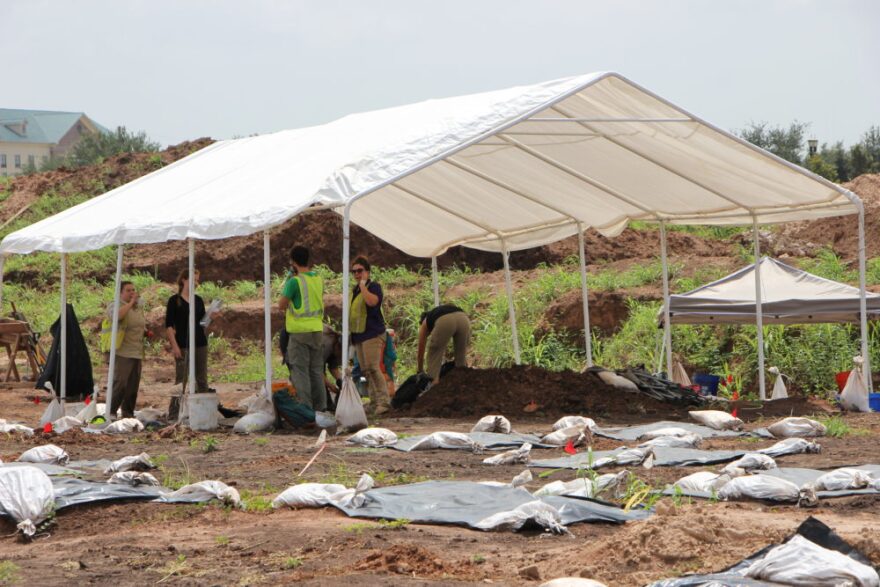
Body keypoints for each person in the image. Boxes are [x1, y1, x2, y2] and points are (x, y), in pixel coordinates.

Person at [277, 246, 326, 411]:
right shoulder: (317, 279)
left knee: (300, 371)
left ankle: (306, 409)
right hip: (317, 331)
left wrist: (289, 280)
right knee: (316, 371)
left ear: (293, 262)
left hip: (299, 333)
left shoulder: (294, 281)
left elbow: (281, 305)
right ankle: (321, 408)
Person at [349, 256, 390, 415]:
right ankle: (374, 402)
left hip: (372, 334)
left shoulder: (373, 287)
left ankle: (384, 402)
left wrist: (363, 286)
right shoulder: (355, 290)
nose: (357, 274)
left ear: (367, 272)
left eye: (360, 271)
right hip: (359, 335)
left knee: (373, 368)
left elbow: (372, 302)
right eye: (354, 272)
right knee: (365, 370)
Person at [102, 281, 146, 418]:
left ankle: (128, 412)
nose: (132, 292)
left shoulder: (136, 308)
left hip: (136, 351)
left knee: (133, 385)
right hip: (121, 351)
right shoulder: (115, 305)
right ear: (120, 293)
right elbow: (117, 317)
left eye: (133, 290)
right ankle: (111, 412)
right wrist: (131, 303)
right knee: (120, 382)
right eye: (128, 290)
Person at [165, 269, 209, 393]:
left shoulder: (198, 300)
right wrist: (175, 346)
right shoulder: (174, 301)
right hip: (183, 344)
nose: (196, 282)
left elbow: (203, 324)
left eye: (197, 280)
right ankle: (175, 412)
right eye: (193, 279)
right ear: (184, 279)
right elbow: (169, 326)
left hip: (200, 343)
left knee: (202, 379)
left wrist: (211, 316)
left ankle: (201, 410)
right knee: (181, 381)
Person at [417, 304, 470, 384]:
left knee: (433, 357)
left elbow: (421, 350)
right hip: (463, 319)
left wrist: (420, 370)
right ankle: (464, 387)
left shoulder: (425, 322)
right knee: (461, 360)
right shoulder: (436, 314)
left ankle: (433, 389)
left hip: (445, 321)